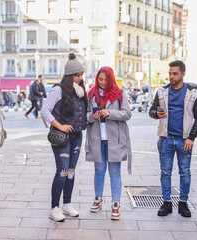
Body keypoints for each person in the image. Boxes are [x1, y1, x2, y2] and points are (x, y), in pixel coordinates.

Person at [149, 60, 197, 218]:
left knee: (185, 173)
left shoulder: (192, 92)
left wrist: (191, 137)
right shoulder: (162, 91)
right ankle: (166, 203)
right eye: (170, 73)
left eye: (175, 74)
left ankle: (183, 203)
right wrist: (156, 114)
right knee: (165, 173)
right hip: (165, 139)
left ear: (183, 74)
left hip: (184, 140)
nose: (171, 77)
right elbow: (152, 111)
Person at [41, 53, 87, 222]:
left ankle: (67, 204)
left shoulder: (81, 92)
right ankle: (54, 207)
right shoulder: (57, 90)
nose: (79, 78)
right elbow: (45, 110)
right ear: (69, 75)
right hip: (61, 137)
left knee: (71, 172)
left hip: (77, 136)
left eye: (81, 74)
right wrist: (60, 125)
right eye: (76, 75)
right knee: (62, 171)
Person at [85, 66, 132, 221]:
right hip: (97, 139)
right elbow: (85, 116)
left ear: (111, 79)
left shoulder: (120, 93)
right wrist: (93, 116)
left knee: (115, 173)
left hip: (114, 140)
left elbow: (127, 114)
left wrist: (110, 113)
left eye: (105, 79)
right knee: (99, 171)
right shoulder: (91, 94)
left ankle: (115, 204)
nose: (103, 82)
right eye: (100, 79)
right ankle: (98, 199)